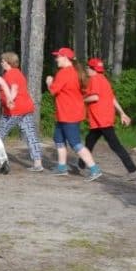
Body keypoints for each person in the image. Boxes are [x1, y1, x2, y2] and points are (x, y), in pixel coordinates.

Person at [0, 52, 45, 172]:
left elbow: (14, 88)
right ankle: (38, 163)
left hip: (14, 110)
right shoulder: (18, 73)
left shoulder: (10, 74)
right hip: (26, 108)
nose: (1, 63)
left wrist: (10, 99)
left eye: (3, 61)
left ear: (8, 62)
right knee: (31, 135)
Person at [46, 47, 103, 181]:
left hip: (68, 113)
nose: (56, 59)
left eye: (58, 57)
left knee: (75, 143)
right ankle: (61, 167)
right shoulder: (75, 72)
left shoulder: (64, 73)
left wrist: (49, 82)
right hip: (68, 112)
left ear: (65, 58)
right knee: (58, 139)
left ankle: (94, 169)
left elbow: (53, 91)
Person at [80, 58, 136, 178]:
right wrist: (122, 113)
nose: (86, 69)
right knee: (89, 141)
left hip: (101, 120)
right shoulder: (104, 80)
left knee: (115, 145)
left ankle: (133, 170)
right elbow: (112, 98)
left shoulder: (95, 79)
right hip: (101, 120)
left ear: (92, 69)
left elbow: (95, 97)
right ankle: (81, 166)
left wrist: (81, 100)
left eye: (88, 67)